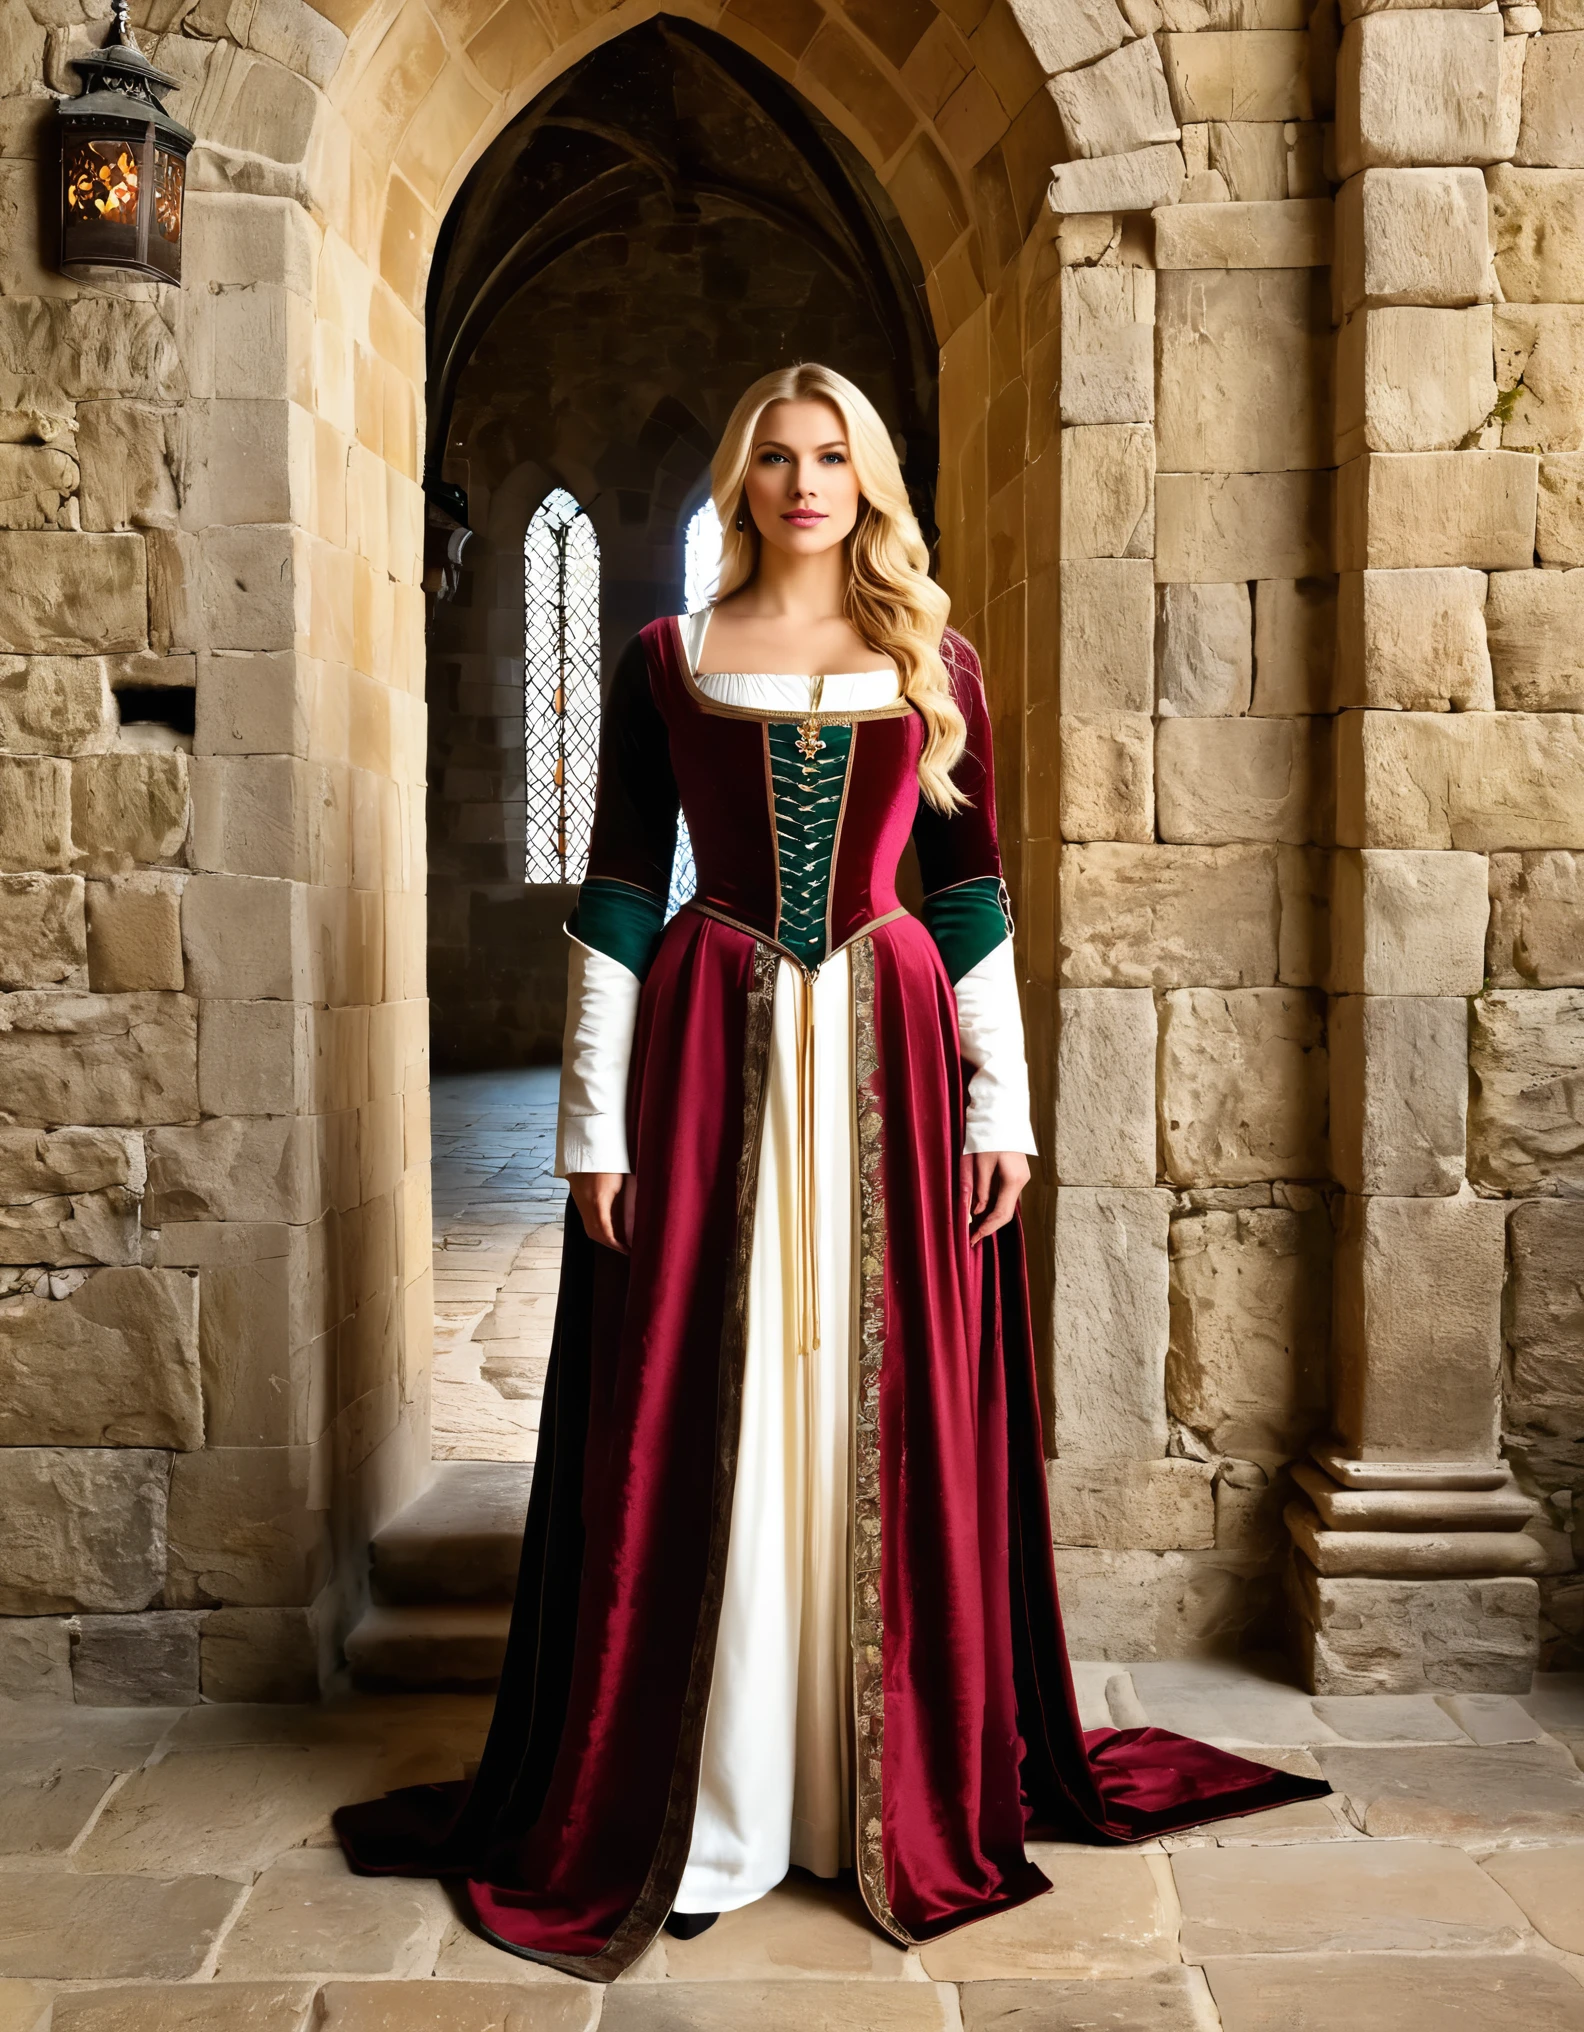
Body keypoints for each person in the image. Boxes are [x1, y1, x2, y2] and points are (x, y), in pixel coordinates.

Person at [334, 362, 1326, 1980]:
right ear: (743, 479)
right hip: (712, 1048)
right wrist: (595, 1124)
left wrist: (1002, 1108)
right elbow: (615, 893)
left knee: (873, 1404)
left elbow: (973, 892)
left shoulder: (938, 664)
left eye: (834, 456)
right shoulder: (670, 658)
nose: (807, 483)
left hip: (895, 1049)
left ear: (869, 477)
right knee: (710, 1407)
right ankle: (714, 1798)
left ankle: (868, 1785)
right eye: (779, 458)